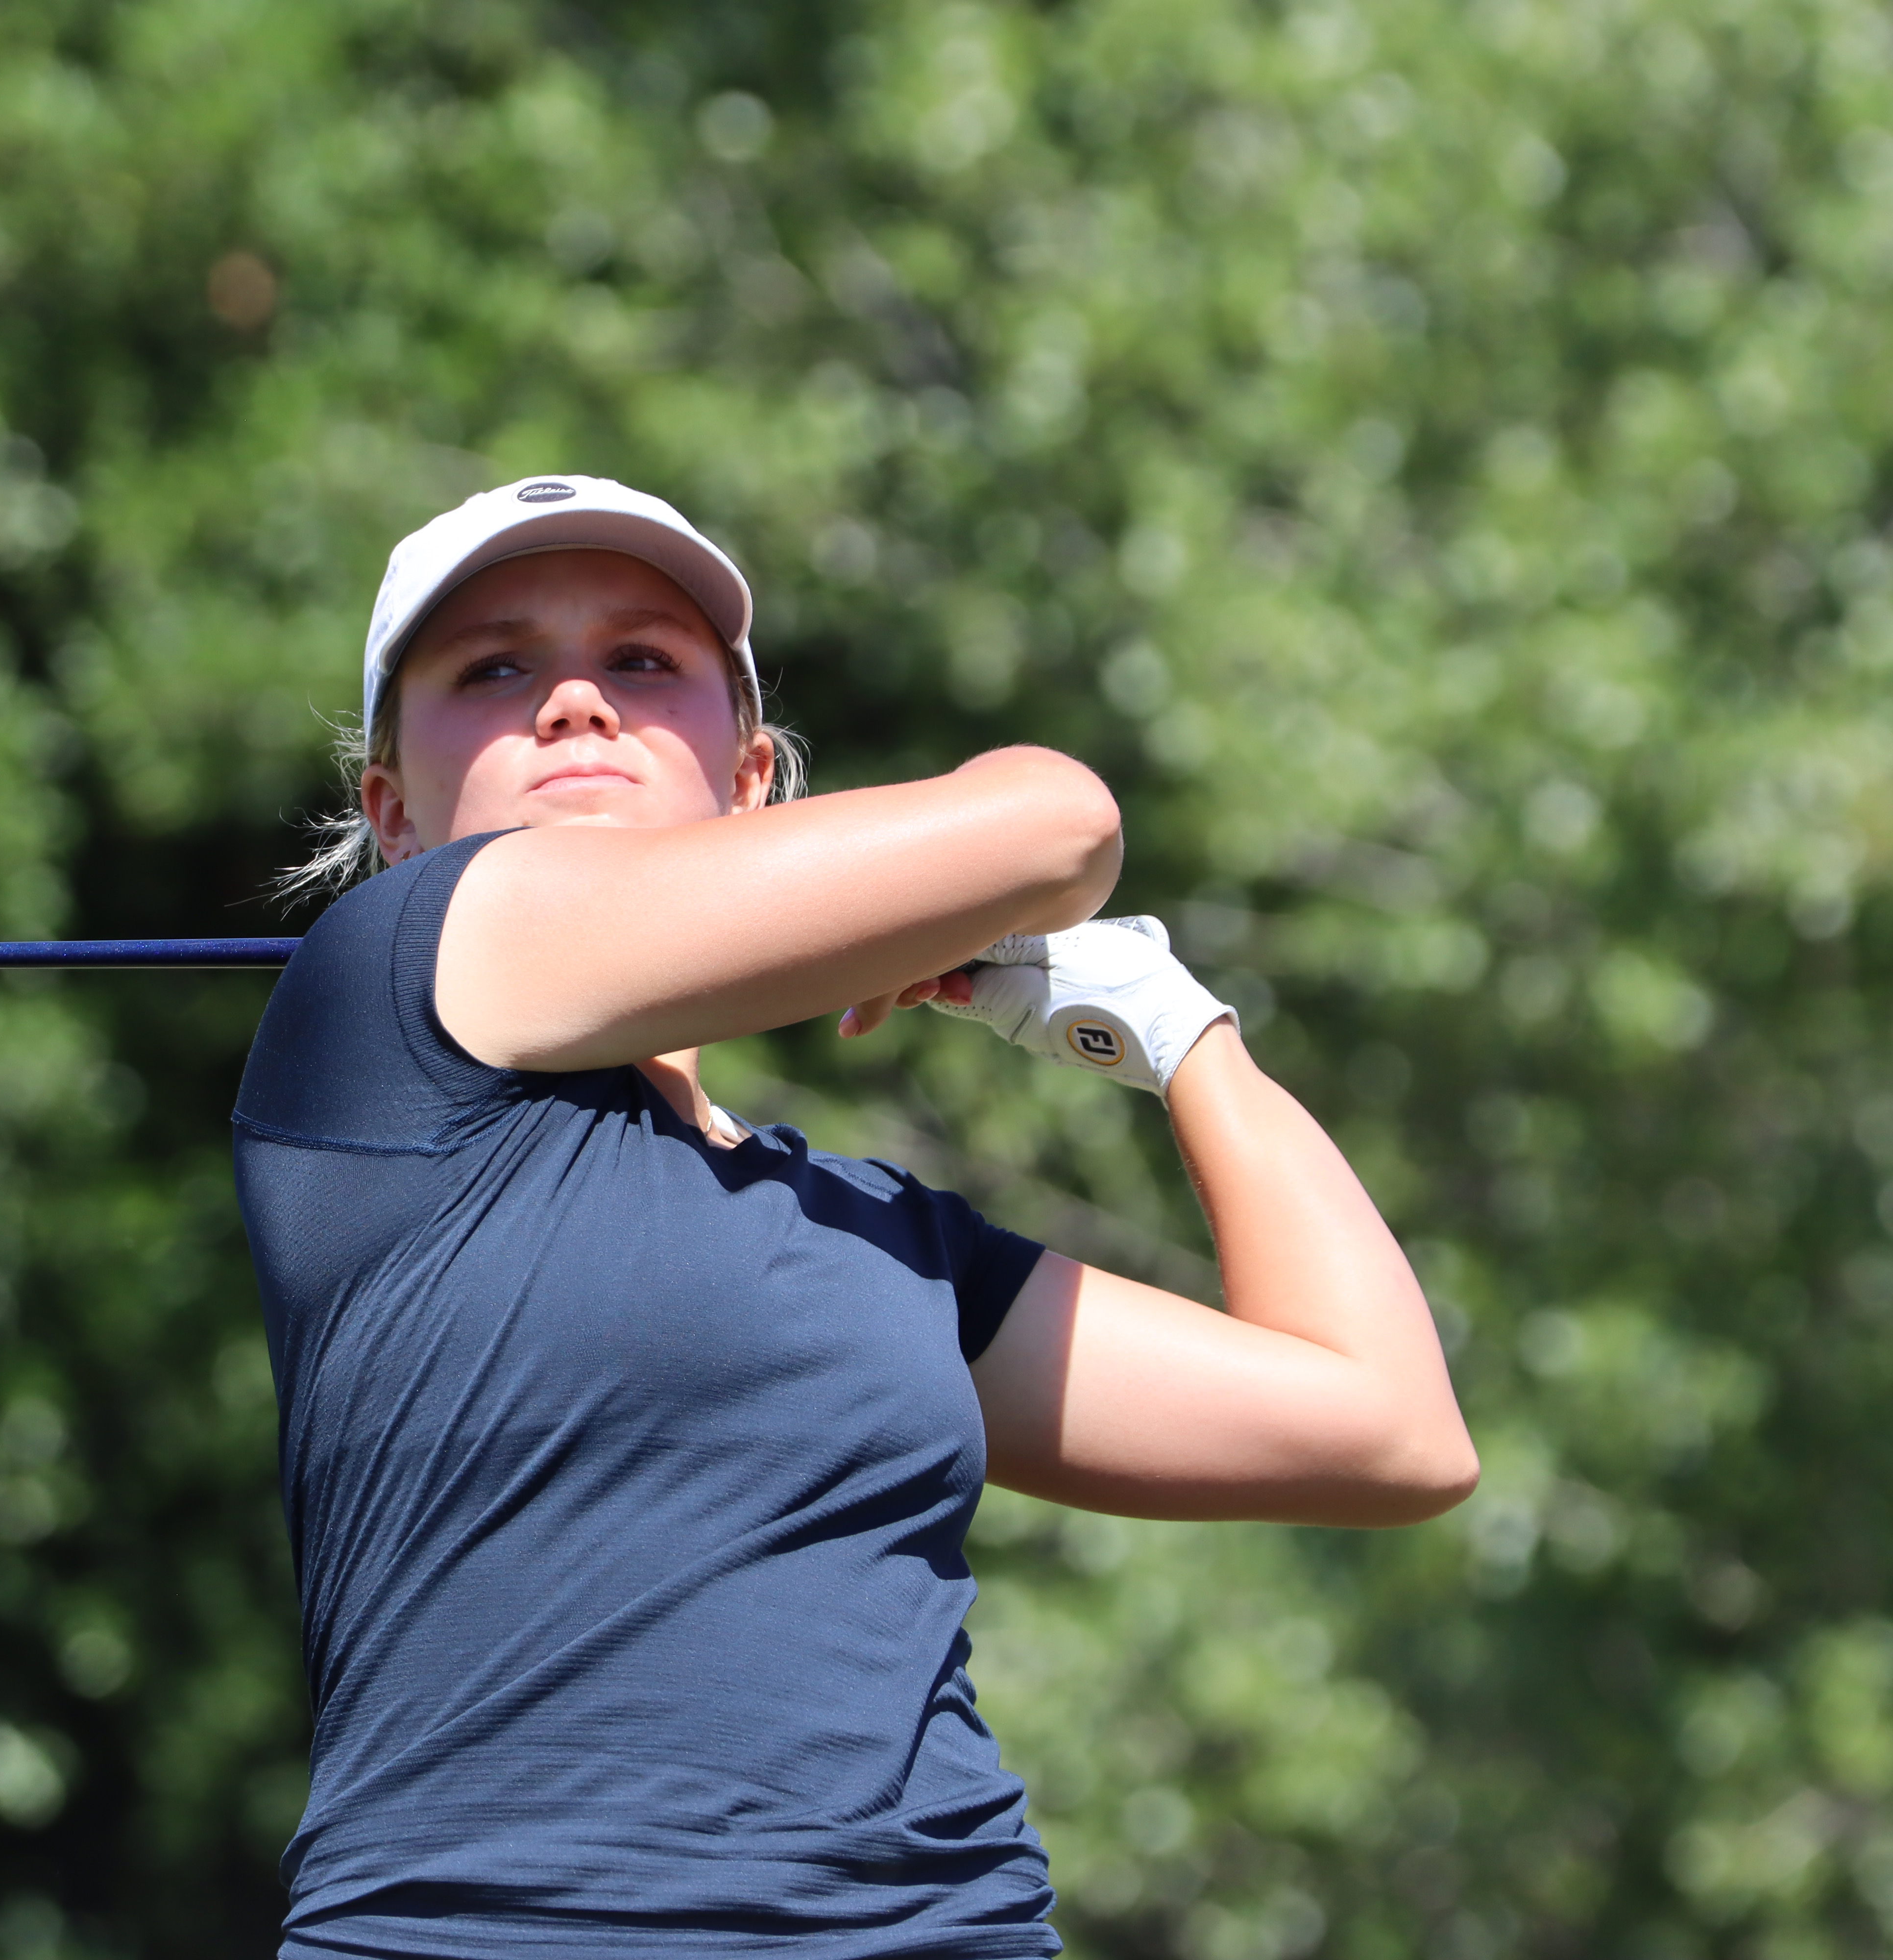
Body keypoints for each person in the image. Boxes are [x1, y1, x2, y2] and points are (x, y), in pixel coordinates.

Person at [232, 476, 1477, 1957]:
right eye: (494, 671)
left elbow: (1390, 1428)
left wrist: (1179, 1034)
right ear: (392, 817)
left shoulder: (878, 1237)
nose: (575, 704)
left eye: (645, 662)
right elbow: (1058, 820)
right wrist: (958, 893)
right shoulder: (391, 981)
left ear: (752, 782)